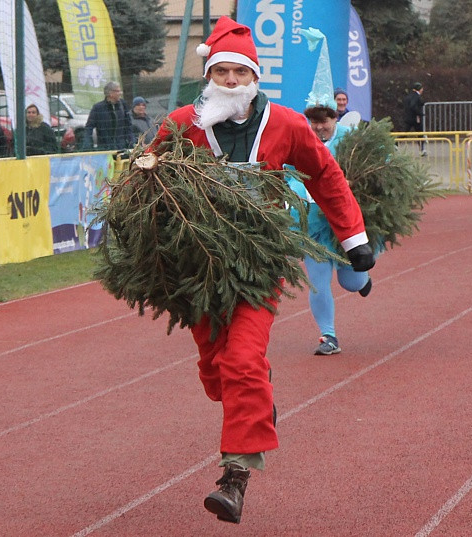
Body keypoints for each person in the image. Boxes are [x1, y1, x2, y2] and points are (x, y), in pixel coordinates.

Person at [150, 16, 374, 524]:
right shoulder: (183, 123)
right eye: (222, 72)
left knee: (242, 361)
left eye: (239, 73)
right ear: (209, 74)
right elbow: (147, 177)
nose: (230, 81)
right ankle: (256, 396)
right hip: (199, 267)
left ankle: (235, 476)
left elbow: (326, 175)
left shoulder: (288, 125)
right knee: (214, 368)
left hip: (259, 262)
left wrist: (353, 237)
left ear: (255, 77)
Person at [288, 103, 373, 356]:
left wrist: (353, 181)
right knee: (318, 283)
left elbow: (381, 167)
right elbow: (287, 174)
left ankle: (364, 279)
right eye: (313, 122)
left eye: (324, 121)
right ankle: (329, 336)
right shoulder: (300, 142)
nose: (319, 127)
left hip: (347, 227)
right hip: (313, 227)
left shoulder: (351, 141)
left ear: (335, 118)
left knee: (352, 282)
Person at [83, 81, 134, 151]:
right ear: (110, 93)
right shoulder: (98, 108)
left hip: (122, 149)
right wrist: (88, 144)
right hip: (105, 149)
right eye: (118, 91)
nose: (120, 93)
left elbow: (128, 125)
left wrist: (132, 142)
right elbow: (89, 127)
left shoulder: (123, 105)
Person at [403, 82, 426, 155]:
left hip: (408, 117)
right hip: (415, 118)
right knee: (420, 134)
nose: (422, 90)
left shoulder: (409, 96)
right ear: (419, 89)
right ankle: (422, 150)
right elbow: (413, 106)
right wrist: (420, 113)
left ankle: (395, 144)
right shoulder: (416, 96)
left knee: (404, 133)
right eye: (421, 88)